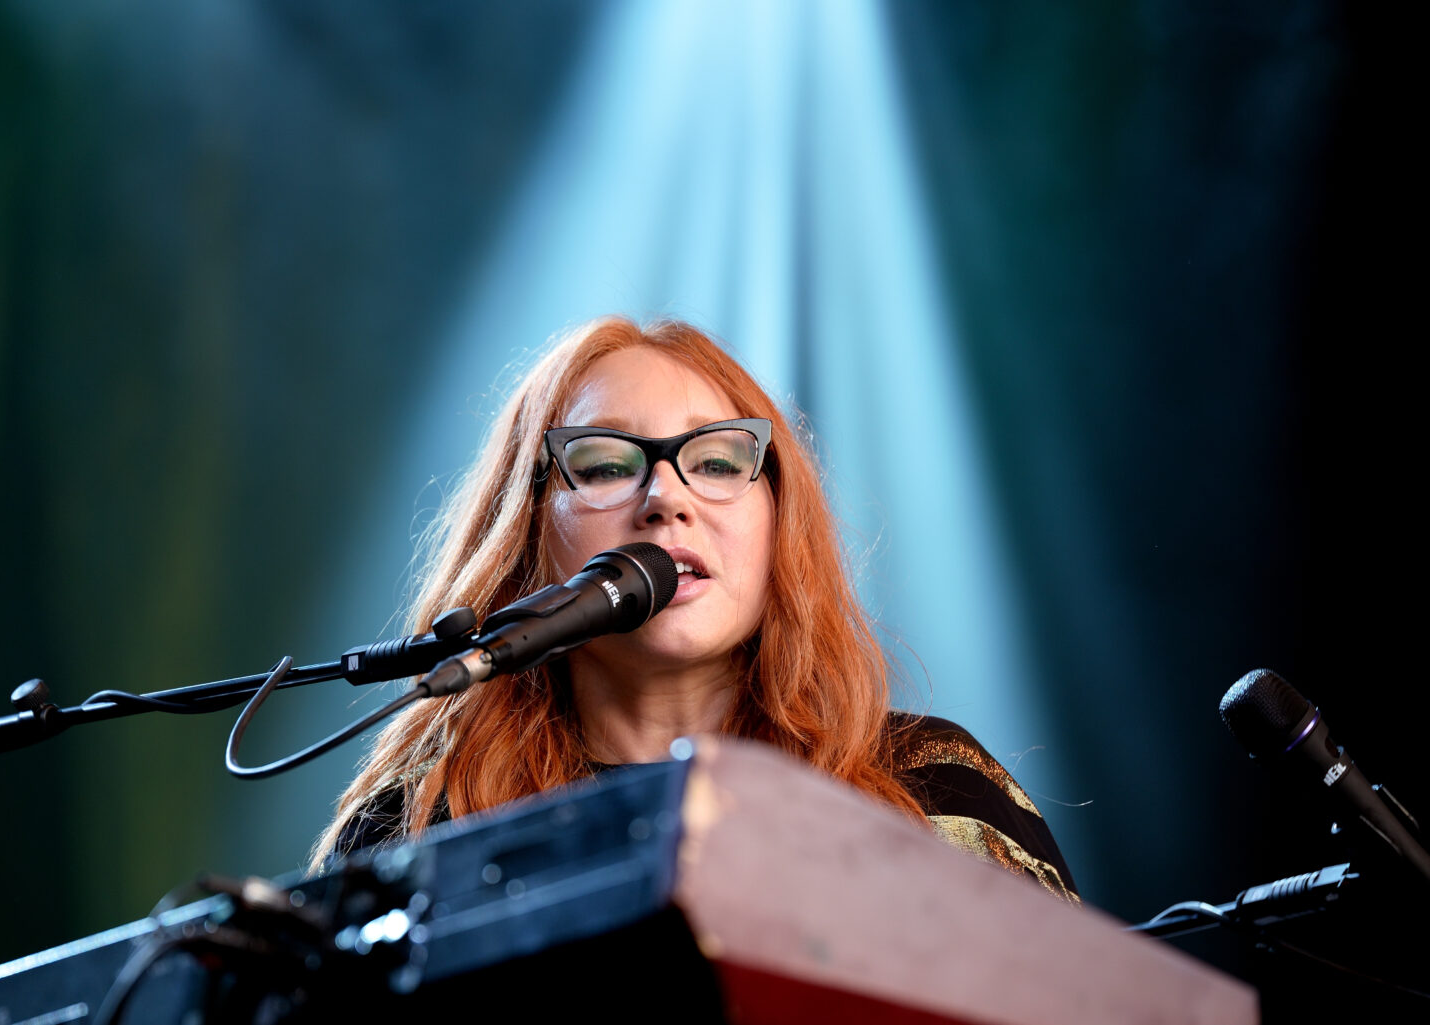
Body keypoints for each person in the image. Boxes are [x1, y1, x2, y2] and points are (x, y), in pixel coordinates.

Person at [313, 316, 1077, 901]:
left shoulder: (940, 795)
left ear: (780, 520)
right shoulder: (407, 838)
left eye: (717, 461)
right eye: (607, 464)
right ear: (527, 533)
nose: (666, 499)